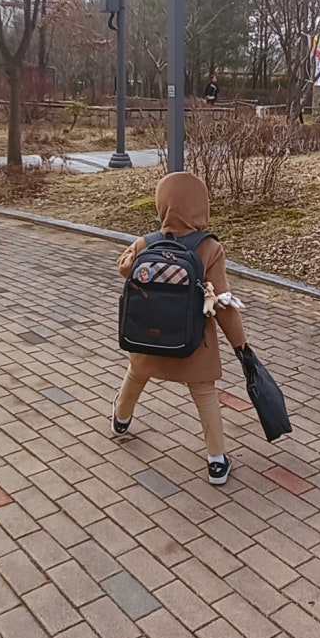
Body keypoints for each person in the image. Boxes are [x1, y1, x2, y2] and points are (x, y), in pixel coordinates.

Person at [112, 171, 247, 486]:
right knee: (204, 392)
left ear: (163, 205)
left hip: (147, 340)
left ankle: (120, 419)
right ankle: (216, 461)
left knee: (136, 376)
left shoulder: (146, 243)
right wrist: (240, 344)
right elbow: (222, 303)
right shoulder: (209, 248)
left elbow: (124, 268)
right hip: (191, 344)